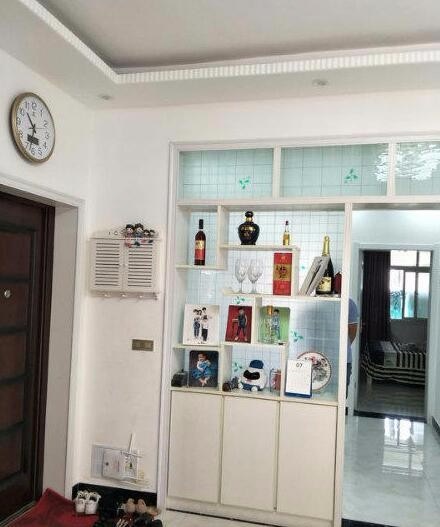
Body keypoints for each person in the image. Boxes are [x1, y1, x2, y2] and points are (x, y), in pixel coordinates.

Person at [347, 298, 359, 398]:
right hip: (322, 356)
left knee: (342, 395)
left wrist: (345, 346)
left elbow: (352, 332)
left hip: (344, 360)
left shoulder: (349, 304)